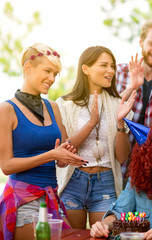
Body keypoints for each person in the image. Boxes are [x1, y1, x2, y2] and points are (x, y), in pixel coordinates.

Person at [0, 43, 86, 240]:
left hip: (51, 198)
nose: (52, 79)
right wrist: (52, 154)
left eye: (55, 73)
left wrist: (65, 155)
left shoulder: (53, 107)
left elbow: (61, 156)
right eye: (47, 71)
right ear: (28, 69)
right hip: (23, 200)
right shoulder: (6, 110)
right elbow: (6, 166)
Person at [55, 46, 135, 229]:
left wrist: (120, 124)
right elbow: (64, 151)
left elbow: (122, 158)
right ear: (85, 69)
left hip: (105, 182)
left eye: (112, 66)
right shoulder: (64, 104)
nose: (111, 71)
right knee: (74, 236)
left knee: (103, 234)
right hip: (73, 180)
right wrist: (92, 122)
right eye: (104, 65)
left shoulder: (118, 104)